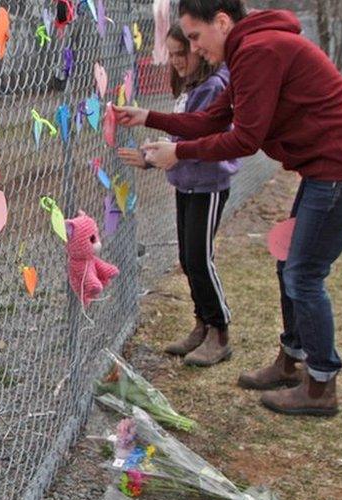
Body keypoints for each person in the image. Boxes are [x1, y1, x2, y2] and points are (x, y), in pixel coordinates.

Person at [115, 0, 342, 417]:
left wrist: (178, 153)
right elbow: (211, 120)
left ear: (222, 22)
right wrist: (149, 116)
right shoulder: (248, 52)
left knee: (304, 273)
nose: (194, 47)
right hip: (327, 169)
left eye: (194, 36)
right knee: (289, 265)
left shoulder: (259, 51)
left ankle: (321, 384)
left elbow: (245, 138)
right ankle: (292, 359)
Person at [118, 23, 238, 367]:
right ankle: (202, 324)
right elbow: (181, 139)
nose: (176, 61)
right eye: (170, 55)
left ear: (198, 50)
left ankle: (220, 330)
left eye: (181, 53)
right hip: (187, 181)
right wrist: (152, 160)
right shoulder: (190, 86)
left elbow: (204, 140)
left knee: (200, 258)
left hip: (209, 184)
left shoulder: (214, 87)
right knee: (188, 258)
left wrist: (158, 156)